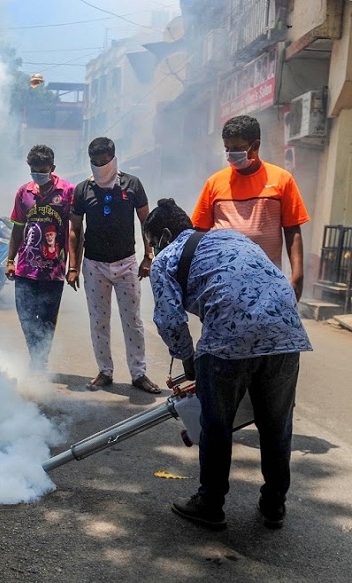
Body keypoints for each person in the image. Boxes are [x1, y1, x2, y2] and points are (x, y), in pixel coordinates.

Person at [145, 198, 312, 531]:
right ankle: (274, 505)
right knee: (276, 426)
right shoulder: (233, 237)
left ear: (163, 235)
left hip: (228, 341)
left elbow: (169, 320)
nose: (152, 250)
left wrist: (189, 361)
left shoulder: (166, 259)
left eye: (151, 243)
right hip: (287, 333)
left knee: (216, 425)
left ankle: (210, 503)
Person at [67, 137, 160, 393]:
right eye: (94, 162)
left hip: (127, 262)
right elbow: (75, 228)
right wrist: (73, 266)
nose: (99, 166)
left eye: (103, 161)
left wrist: (147, 256)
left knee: (133, 320)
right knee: (99, 320)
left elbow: (146, 222)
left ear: (113, 158)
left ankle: (139, 373)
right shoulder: (83, 189)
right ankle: (105, 371)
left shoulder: (132, 184)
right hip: (94, 264)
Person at [192, 114, 309, 300]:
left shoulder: (281, 179)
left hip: (267, 281)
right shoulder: (214, 183)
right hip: (223, 281)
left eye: (237, 148)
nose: (230, 154)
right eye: (227, 148)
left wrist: (297, 276)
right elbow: (199, 233)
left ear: (255, 145)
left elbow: (292, 230)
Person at [4, 145, 75, 372]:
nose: (38, 174)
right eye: (33, 170)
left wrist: (74, 266)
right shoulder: (23, 193)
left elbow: (76, 232)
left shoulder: (68, 192)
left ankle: (39, 361)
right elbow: (17, 229)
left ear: (52, 168)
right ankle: (36, 357)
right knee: (25, 317)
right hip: (26, 269)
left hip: (53, 271)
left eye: (42, 170)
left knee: (46, 320)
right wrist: (10, 260)